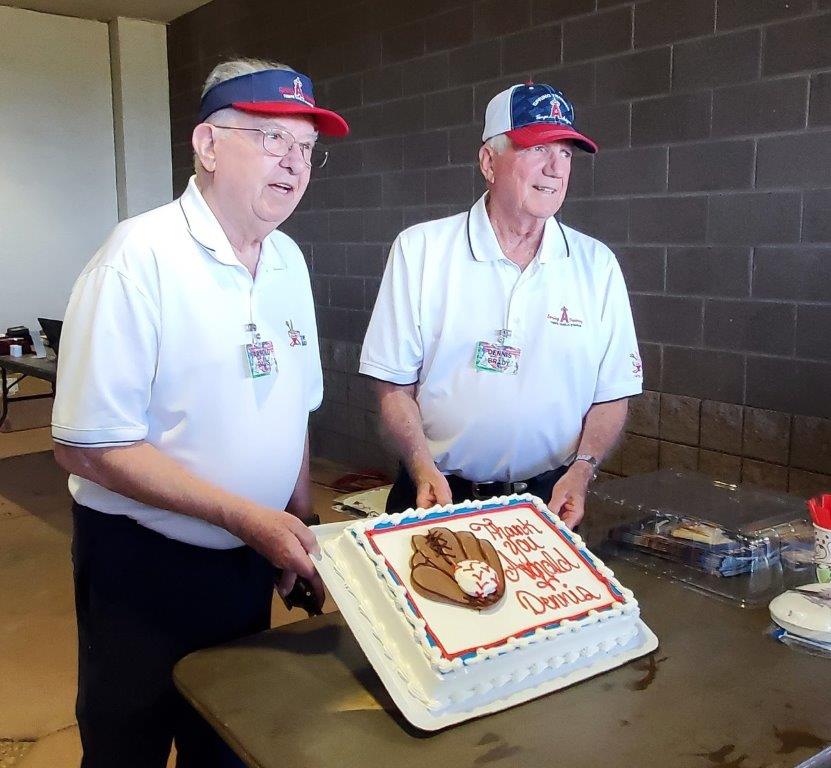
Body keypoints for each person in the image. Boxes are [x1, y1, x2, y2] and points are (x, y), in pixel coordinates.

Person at [51, 58, 348, 768]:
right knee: (129, 743)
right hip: (142, 564)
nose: (294, 163)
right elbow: (88, 446)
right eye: (272, 139)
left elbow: (295, 406)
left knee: (228, 740)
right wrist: (246, 517)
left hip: (249, 557)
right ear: (208, 145)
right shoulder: (138, 257)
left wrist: (297, 518)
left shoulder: (288, 261)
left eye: (307, 148)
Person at [360, 83, 642, 528]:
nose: (555, 168)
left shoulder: (597, 265)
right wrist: (420, 464)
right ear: (489, 162)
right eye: (537, 148)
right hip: (437, 493)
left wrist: (582, 471)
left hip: (547, 503)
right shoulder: (422, 250)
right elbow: (393, 386)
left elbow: (612, 393)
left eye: (565, 152)